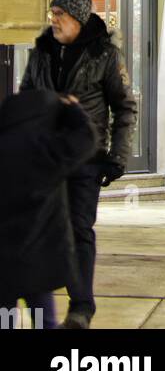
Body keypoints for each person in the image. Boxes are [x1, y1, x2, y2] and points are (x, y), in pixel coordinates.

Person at [19, 0, 137, 329]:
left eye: (60, 14)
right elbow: (26, 97)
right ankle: (44, 306)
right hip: (45, 159)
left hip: (86, 158)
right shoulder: (41, 53)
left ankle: (81, 306)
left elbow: (125, 108)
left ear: (78, 19)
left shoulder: (104, 56)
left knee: (79, 229)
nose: (53, 19)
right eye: (52, 13)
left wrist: (118, 156)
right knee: (39, 229)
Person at [0, 90, 98, 330]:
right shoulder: (46, 150)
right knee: (45, 321)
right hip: (39, 261)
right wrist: (74, 111)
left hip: (3, 265)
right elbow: (87, 138)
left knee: (4, 321)